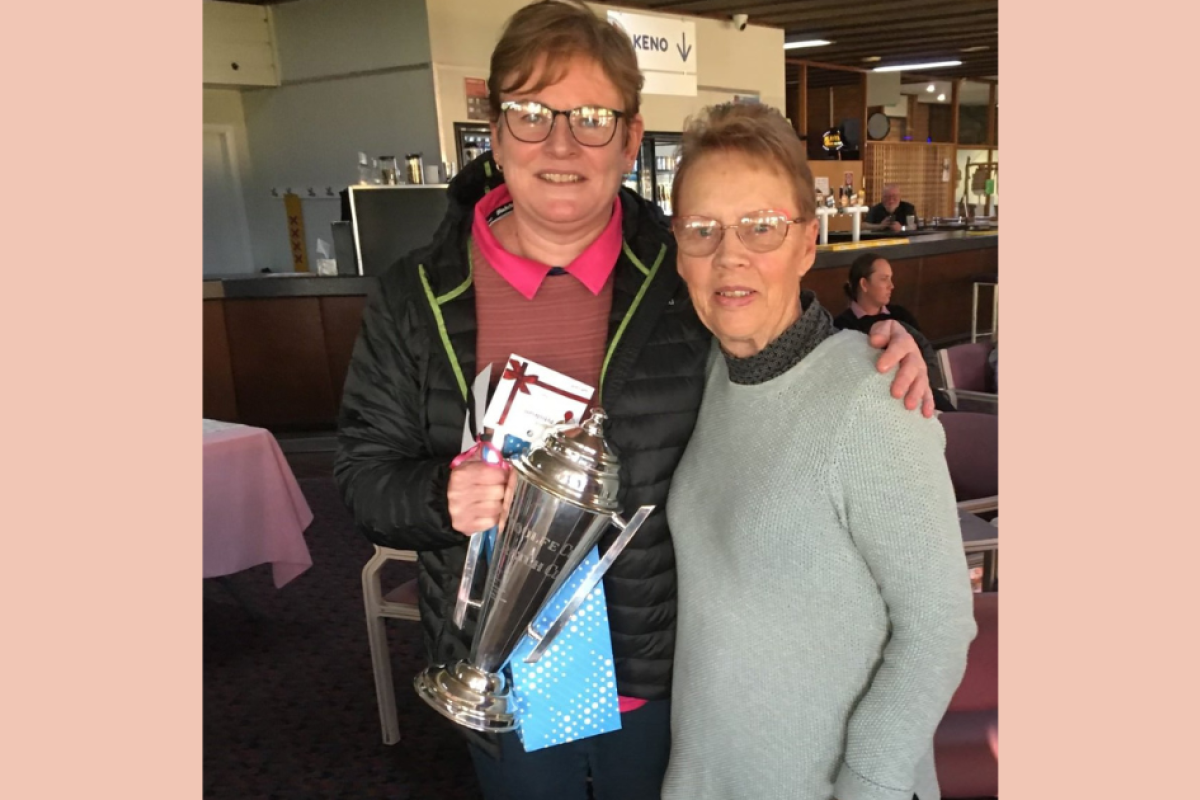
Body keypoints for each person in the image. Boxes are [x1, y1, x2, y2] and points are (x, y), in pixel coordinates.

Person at [334, 3, 933, 799]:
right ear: (494, 128)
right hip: (498, 670)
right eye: (530, 113)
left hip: (663, 679)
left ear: (628, 136)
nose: (559, 144)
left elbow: (767, 327)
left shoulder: (680, 271)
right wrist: (439, 497)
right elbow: (362, 476)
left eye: (589, 118)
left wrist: (871, 348)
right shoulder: (415, 295)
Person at [663, 102, 976, 800]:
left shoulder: (875, 400)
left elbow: (938, 629)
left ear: (808, 244)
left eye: (761, 227)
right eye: (702, 229)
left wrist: (870, 782)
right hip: (711, 773)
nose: (729, 254)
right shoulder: (712, 374)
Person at [833, 252, 921, 332]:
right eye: (884, 279)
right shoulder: (842, 326)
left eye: (890, 278)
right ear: (864, 284)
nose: (891, 286)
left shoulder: (901, 315)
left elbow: (922, 346)